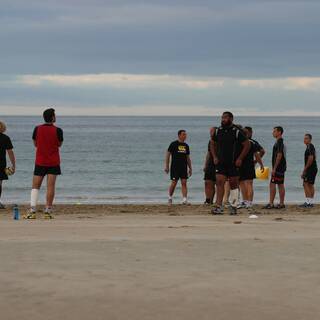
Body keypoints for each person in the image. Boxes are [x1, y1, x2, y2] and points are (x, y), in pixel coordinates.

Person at [24, 108, 63, 219]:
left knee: (35, 186)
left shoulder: (37, 129)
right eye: (55, 115)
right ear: (52, 117)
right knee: (50, 187)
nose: (56, 117)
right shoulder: (58, 130)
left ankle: (32, 211)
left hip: (40, 161)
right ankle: (47, 211)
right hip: (53, 162)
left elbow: (35, 143)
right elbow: (59, 144)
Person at [210, 112, 250, 215]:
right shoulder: (218, 131)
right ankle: (218, 206)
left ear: (231, 119)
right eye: (222, 117)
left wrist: (240, 158)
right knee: (219, 182)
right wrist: (214, 156)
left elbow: (247, 145)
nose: (223, 119)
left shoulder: (236, 132)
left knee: (233, 184)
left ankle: (233, 206)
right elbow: (212, 143)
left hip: (233, 163)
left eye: (225, 118)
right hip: (221, 162)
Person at [238, 127, 265, 209]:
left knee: (244, 183)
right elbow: (257, 154)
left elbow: (258, 154)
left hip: (241, 164)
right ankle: (247, 202)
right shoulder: (252, 142)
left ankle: (246, 201)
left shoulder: (239, 142)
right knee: (246, 184)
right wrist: (259, 163)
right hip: (249, 165)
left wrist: (258, 163)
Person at [165, 130, 192, 205]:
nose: (185, 136)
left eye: (185, 135)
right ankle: (170, 198)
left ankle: (184, 200)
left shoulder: (186, 146)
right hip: (175, 167)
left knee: (184, 183)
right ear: (179, 135)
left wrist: (190, 168)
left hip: (183, 167)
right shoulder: (173, 144)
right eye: (183, 134)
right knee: (174, 183)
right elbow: (168, 155)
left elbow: (188, 158)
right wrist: (167, 166)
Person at [264, 126, 286, 209]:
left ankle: (272, 203)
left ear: (279, 132)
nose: (273, 133)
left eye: (274, 131)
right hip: (281, 167)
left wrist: (275, 168)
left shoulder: (280, 142)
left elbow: (279, 155)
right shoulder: (279, 142)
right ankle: (281, 203)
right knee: (280, 184)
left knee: (273, 184)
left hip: (279, 167)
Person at [0, 121, 16, 209]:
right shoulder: (5, 138)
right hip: (1, 163)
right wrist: (13, 165)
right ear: (3, 128)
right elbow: (10, 152)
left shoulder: (6, 138)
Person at [300, 134, 317, 208]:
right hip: (313, 168)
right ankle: (310, 202)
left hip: (310, 168)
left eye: (306, 138)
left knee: (305, 184)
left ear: (310, 139)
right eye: (304, 138)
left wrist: (305, 169)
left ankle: (308, 202)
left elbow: (311, 158)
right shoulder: (310, 147)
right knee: (310, 184)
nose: (305, 140)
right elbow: (314, 157)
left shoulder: (310, 147)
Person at [203, 127, 216, 205]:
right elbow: (208, 153)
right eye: (210, 131)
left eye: (212, 131)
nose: (210, 132)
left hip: (218, 163)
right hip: (210, 163)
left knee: (216, 183)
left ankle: (212, 200)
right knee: (207, 182)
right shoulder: (210, 141)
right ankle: (208, 200)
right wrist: (205, 164)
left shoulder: (220, 140)